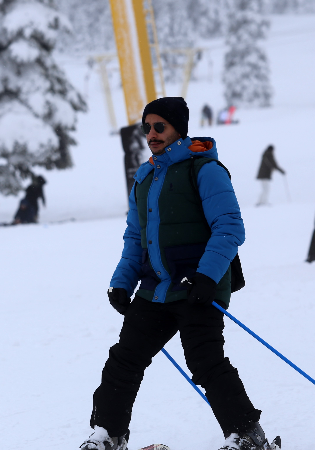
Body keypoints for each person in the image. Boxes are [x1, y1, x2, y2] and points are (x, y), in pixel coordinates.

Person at [81, 97, 275, 450]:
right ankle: (108, 434)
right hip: (156, 289)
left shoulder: (204, 169)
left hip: (197, 286)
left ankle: (248, 436)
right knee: (123, 360)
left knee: (206, 362)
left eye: (160, 127)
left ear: (178, 129)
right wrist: (122, 281)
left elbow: (229, 227)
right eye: (147, 127)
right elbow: (135, 238)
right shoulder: (145, 175)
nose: (152, 134)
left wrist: (207, 277)